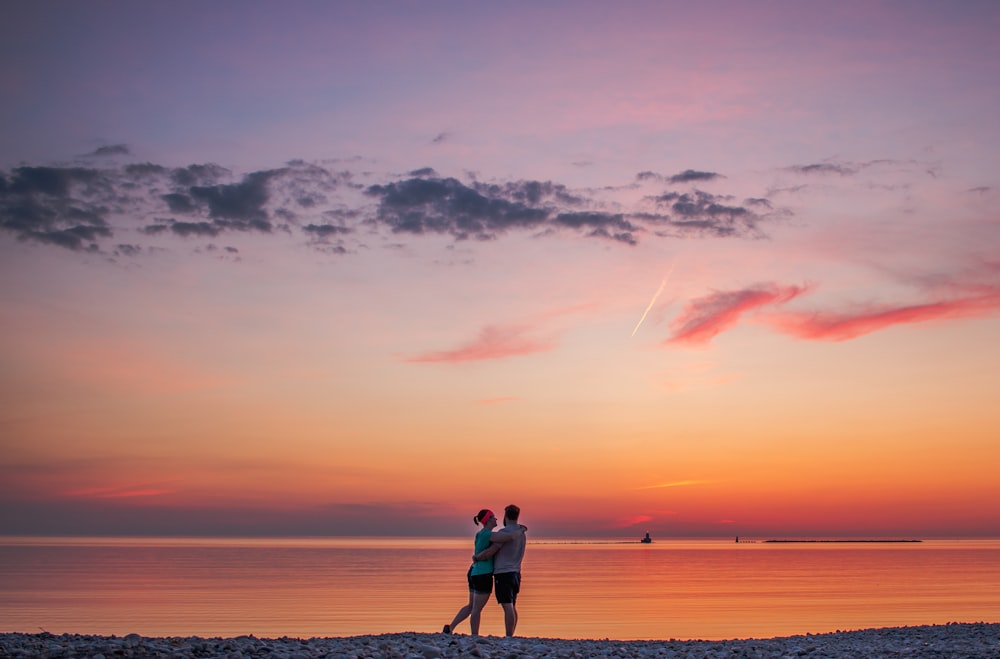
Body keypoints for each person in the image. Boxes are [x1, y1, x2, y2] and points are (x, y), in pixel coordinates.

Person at [473, 504, 526, 637]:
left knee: (507, 605)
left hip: (503, 573)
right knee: (512, 605)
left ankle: (508, 636)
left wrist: (477, 557)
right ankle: (511, 634)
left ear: (506, 516)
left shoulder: (504, 533)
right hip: (516, 572)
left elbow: (491, 551)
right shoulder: (521, 533)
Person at [442, 509, 497, 636]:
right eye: (493, 517)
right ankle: (474, 635)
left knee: (471, 605)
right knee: (477, 609)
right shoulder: (488, 534)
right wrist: (519, 530)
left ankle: (450, 628)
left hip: (473, 571)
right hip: (483, 573)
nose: (496, 520)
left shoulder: (479, 534)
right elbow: (506, 537)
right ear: (488, 519)